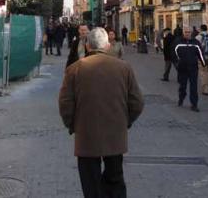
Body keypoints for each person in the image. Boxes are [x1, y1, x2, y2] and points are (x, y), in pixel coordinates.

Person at [59, 28, 144, 198]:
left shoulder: (74, 69)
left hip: (86, 134)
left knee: (90, 183)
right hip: (115, 134)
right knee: (115, 179)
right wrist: (125, 122)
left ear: (88, 46)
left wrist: (73, 125)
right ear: (107, 46)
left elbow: (65, 104)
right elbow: (137, 102)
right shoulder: (124, 68)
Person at [174, 26, 205, 112]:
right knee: (182, 86)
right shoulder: (178, 42)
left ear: (191, 33)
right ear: (183, 33)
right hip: (182, 68)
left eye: (189, 32)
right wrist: (177, 64)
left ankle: (194, 104)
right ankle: (181, 98)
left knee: (193, 87)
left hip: (193, 68)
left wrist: (204, 63)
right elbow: (174, 54)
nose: (187, 34)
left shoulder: (196, 43)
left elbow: (200, 53)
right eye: (186, 32)